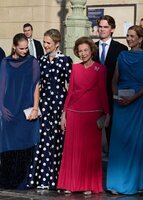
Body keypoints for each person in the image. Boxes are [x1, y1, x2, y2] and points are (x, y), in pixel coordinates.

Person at [57, 37, 110, 195]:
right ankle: (70, 184)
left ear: (91, 50)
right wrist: (64, 114)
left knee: (89, 152)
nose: (83, 53)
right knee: (72, 151)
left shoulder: (101, 69)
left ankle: (88, 184)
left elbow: (103, 93)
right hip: (74, 114)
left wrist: (107, 113)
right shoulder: (75, 68)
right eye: (80, 51)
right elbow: (70, 92)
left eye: (86, 50)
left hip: (92, 116)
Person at [106, 25, 143, 195]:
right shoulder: (122, 54)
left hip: (137, 103)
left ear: (141, 39)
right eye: (127, 35)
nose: (129, 39)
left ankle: (139, 182)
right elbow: (114, 80)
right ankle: (116, 183)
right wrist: (116, 96)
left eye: (133, 36)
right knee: (120, 143)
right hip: (121, 104)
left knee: (136, 142)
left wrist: (132, 98)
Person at [27, 29, 72, 190]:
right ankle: (42, 179)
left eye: (48, 43)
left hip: (59, 106)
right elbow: (36, 85)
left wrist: (66, 111)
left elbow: (71, 87)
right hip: (44, 105)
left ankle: (57, 179)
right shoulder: (41, 60)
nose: (45, 45)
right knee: (43, 141)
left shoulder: (65, 60)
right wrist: (35, 106)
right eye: (44, 42)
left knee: (57, 141)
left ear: (57, 44)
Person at [0, 33, 40, 189]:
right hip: (9, 109)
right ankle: (6, 180)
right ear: (14, 47)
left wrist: (36, 108)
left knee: (25, 144)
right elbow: (2, 85)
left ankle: (21, 181)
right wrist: (2, 107)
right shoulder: (5, 62)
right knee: (7, 144)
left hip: (26, 108)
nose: (24, 51)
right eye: (21, 48)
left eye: (26, 48)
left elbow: (36, 86)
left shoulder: (33, 62)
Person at [93, 15, 128, 147]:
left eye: (105, 27)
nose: (102, 29)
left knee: (113, 133)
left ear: (112, 29)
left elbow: (124, 76)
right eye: (100, 27)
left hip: (113, 97)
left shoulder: (121, 49)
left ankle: (114, 163)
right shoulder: (91, 48)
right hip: (95, 97)